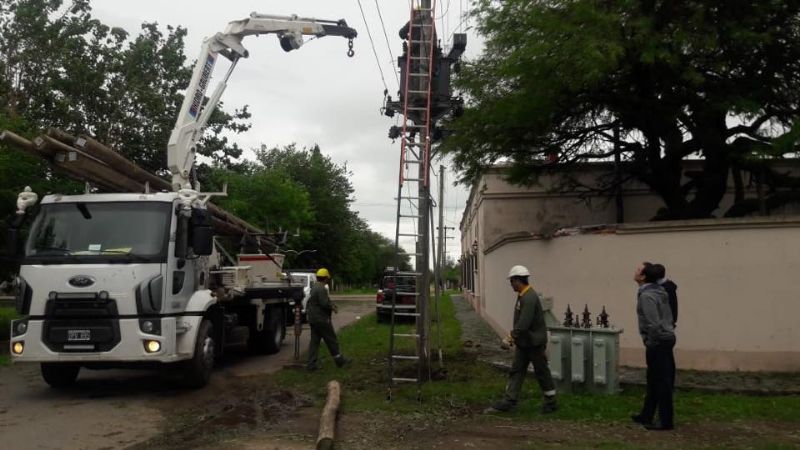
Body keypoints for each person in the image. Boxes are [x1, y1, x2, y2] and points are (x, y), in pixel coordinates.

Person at [489, 265, 557, 414]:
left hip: (534, 343)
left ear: (517, 280)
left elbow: (524, 323)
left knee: (541, 371)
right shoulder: (523, 295)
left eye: (511, 281)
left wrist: (510, 338)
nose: (511, 285)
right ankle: (509, 401)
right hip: (524, 343)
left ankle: (551, 402)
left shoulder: (529, 297)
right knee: (516, 370)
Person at [632, 262, 676, 431]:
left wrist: (650, 341)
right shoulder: (657, 291)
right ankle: (647, 415)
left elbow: (653, 323)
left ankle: (666, 421)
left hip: (659, 341)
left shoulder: (647, 296)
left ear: (643, 276)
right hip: (666, 338)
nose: (635, 271)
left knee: (661, 382)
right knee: (654, 379)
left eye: (638, 270)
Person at [306, 268, 350, 371]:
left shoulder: (314, 287)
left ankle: (311, 364)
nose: (328, 280)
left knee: (314, 341)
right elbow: (324, 303)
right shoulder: (321, 288)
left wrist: (331, 304)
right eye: (327, 278)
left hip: (313, 319)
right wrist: (333, 307)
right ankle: (340, 361)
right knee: (331, 340)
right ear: (325, 278)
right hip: (322, 319)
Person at [653, 263, 678, 382]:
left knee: (665, 358)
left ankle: (668, 382)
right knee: (667, 356)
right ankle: (668, 381)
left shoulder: (664, 289)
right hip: (668, 325)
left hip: (665, 327)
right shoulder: (668, 287)